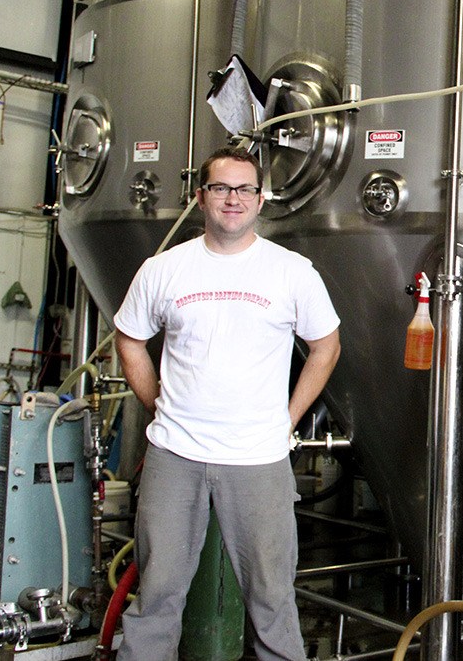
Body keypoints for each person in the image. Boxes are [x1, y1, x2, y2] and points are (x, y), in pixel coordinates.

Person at [113, 147, 341, 661]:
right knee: (158, 598)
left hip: (258, 459)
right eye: (220, 188)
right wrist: (159, 404)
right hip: (176, 457)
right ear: (200, 197)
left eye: (244, 189)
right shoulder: (164, 269)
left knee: (272, 600)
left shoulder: (291, 271)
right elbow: (129, 339)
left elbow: (326, 346)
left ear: (261, 200)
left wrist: (287, 418)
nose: (232, 199)